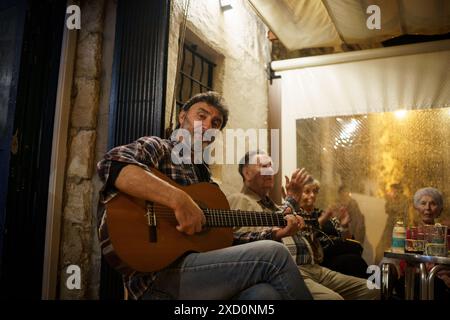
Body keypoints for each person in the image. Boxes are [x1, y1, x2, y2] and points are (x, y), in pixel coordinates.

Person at [96, 91, 313, 300]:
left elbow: (223, 239)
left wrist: (275, 232)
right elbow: (112, 164)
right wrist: (178, 200)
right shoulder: (159, 147)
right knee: (275, 255)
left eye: (216, 123)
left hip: (200, 270)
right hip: (157, 276)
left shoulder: (206, 181)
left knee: (266, 294)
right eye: (202, 116)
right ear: (182, 117)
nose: (208, 126)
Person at [228, 150, 379, 300]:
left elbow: (314, 244)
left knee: (373, 290)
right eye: (263, 166)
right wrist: (292, 200)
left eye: (271, 165)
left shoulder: (275, 206)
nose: (271, 170)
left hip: (315, 267)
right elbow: (242, 243)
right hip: (291, 269)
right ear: (247, 173)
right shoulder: (240, 199)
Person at [384, 187, 450, 300]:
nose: (427, 208)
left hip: (437, 281)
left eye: (433, 203)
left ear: (439, 209)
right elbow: (401, 261)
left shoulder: (445, 234)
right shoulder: (409, 233)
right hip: (411, 280)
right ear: (416, 208)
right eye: (423, 203)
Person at [300, 180, 369, 280]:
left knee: (355, 254)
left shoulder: (319, 212)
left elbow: (346, 237)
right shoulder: (297, 215)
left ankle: (374, 290)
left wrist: (344, 226)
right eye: (307, 191)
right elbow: (308, 231)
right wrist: (325, 217)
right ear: (298, 194)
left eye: (315, 191)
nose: (312, 195)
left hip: (338, 254)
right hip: (320, 261)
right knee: (353, 261)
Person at [375, 183, 410, 264]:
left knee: (394, 251)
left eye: (393, 190)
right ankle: (377, 269)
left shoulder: (404, 200)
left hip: (399, 230)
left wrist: (392, 204)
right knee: (380, 249)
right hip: (389, 227)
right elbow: (386, 209)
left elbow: (401, 212)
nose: (391, 192)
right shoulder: (392, 199)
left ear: (398, 191)